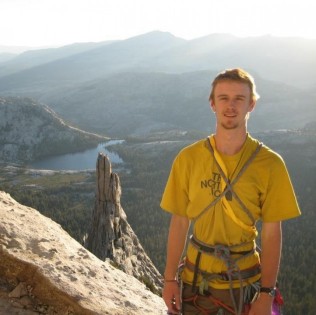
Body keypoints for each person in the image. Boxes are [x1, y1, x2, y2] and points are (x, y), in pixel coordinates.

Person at [160, 68, 301, 315]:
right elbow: (180, 222)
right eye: (223, 98)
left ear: (251, 105)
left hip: (245, 286)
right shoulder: (188, 159)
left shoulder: (270, 165)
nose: (231, 105)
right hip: (194, 285)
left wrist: (266, 295)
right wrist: (170, 279)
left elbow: (271, 234)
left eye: (239, 99)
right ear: (212, 104)